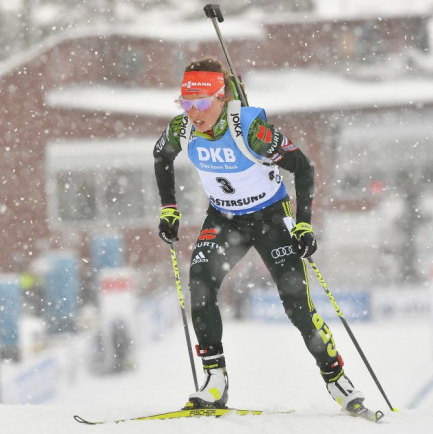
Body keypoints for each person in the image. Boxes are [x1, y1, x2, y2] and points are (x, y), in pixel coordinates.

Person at [153, 57, 365, 414]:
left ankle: (336, 378)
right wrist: (169, 208)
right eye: (186, 104)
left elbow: (303, 166)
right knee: (200, 285)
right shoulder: (181, 129)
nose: (194, 113)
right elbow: (160, 157)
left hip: (270, 217)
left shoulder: (249, 129)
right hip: (224, 218)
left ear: (221, 97)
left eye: (201, 103)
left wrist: (304, 224)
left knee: (297, 305)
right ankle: (215, 381)